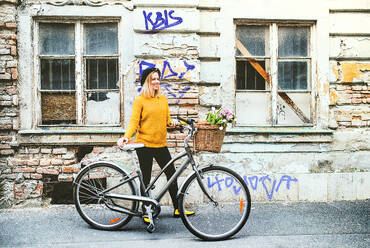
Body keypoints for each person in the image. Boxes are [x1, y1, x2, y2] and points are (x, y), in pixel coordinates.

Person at [117, 67, 194, 223]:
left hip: (161, 145)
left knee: (172, 174)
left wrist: (176, 123)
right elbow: (133, 122)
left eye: (158, 78)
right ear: (147, 82)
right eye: (153, 79)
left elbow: (167, 121)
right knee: (146, 179)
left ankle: (178, 208)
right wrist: (126, 137)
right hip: (144, 145)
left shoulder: (163, 100)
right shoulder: (140, 101)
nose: (156, 81)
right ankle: (146, 211)